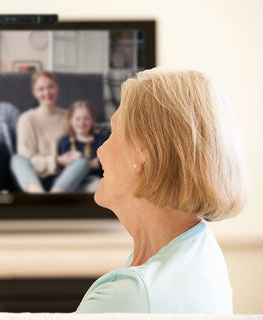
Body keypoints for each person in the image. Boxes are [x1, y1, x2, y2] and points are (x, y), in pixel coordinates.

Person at [76, 69, 248, 314]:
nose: (100, 151)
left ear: (141, 153)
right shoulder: (201, 247)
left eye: (113, 132)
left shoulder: (130, 294)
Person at [10, 71, 90, 193]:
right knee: (17, 160)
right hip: (34, 177)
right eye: (41, 89)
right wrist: (56, 160)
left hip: (63, 178)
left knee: (82, 162)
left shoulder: (69, 116)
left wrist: (76, 155)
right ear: (34, 92)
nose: (47, 93)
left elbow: (79, 142)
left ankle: (53, 198)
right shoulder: (26, 119)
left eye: (50, 87)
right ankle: (40, 197)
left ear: (57, 88)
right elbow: (27, 158)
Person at [58, 101, 109, 193]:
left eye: (86, 119)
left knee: (99, 186)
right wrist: (90, 164)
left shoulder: (102, 140)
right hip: (72, 181)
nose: (82, 122)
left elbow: (104, 164)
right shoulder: (65, 142)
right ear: (70, 121)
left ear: (93, 120)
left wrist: (80, 161)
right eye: (77, 119)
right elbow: (65, 166)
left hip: (94, 181)